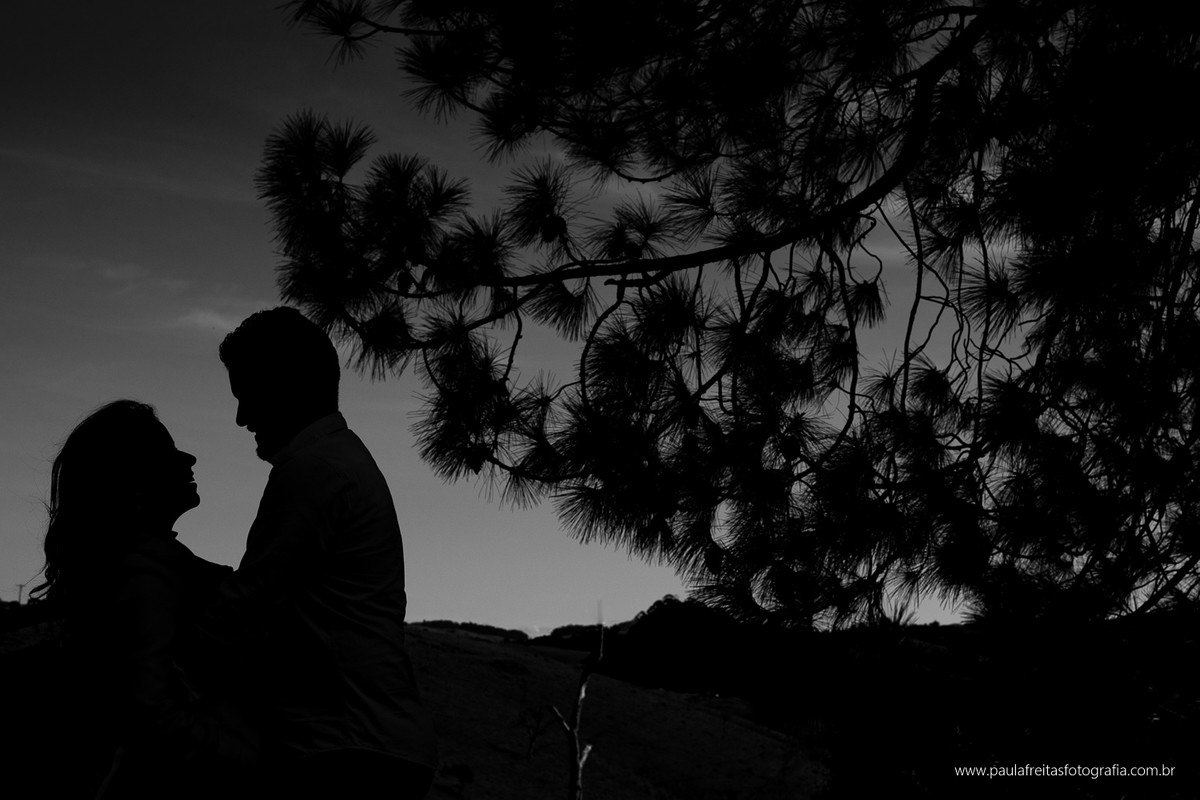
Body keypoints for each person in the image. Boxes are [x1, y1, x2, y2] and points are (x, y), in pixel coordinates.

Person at [199, 306, 438, 799]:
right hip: (366, 743)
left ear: (288, 385)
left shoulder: (315, 470)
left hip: (346, 752)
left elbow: (244, 607)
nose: (242, 418)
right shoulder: (337, 461)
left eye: (248, 396)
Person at [30, 400, 258, 799]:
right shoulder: (146, 570)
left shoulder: (144, 563)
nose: (189, 458)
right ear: (133, 481)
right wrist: (247, 757)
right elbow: (150, 708)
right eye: (168, 453)